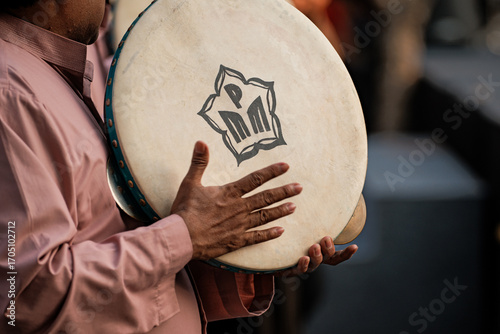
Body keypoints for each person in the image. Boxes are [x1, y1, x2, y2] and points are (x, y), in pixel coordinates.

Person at [0, 1, 359, 333]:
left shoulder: (64, 71)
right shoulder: (10, 94)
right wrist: (185, 236)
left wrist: (261, 243)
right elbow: (19, 302)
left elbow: (120, 238)